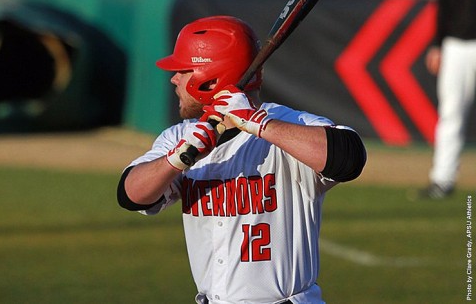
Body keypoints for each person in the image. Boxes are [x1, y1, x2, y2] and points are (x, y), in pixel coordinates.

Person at [117, 16, 366, 304]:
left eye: (184, 70)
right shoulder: (181, 137)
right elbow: (131, 196)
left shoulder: (290, 124)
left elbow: (350, 158)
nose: (174, 78)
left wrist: (259, 124)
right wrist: (177, 160)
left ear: (210, 78)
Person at [421, 0, 476, 199]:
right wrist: (437, 44)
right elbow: (444, 7)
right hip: (456, 45)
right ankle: (443, 179)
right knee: (451, 113)